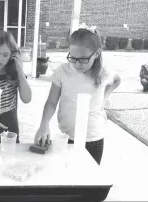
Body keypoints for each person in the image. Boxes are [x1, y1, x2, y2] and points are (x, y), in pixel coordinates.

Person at [34, 27, 121, 165]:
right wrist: (44, 124)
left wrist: (104, 97)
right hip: (67, 136)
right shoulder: (63, 71)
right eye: (73, 58)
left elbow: (117, 80)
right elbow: (51, 102)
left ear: (97, 53)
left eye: (83, 59)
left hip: (93, 138)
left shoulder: (104, 72)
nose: (77, 63)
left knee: (88, 181)